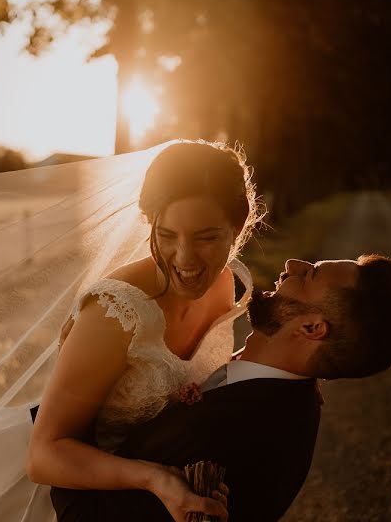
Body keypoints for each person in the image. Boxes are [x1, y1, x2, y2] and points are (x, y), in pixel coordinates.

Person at [50, 254, 391, 521]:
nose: (291, 264)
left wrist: (77, 386)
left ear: (311, 329)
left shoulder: (232, 434)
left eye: (310, 275)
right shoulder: (282, 389)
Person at [26, 140, 264, 521]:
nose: (184, 259)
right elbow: (43, 455)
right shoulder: (114, 313)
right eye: (166, 235)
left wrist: (292, 373)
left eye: (205, 237)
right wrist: (154, 479)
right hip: (75, 500)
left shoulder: (224, 285)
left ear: (237, 226)